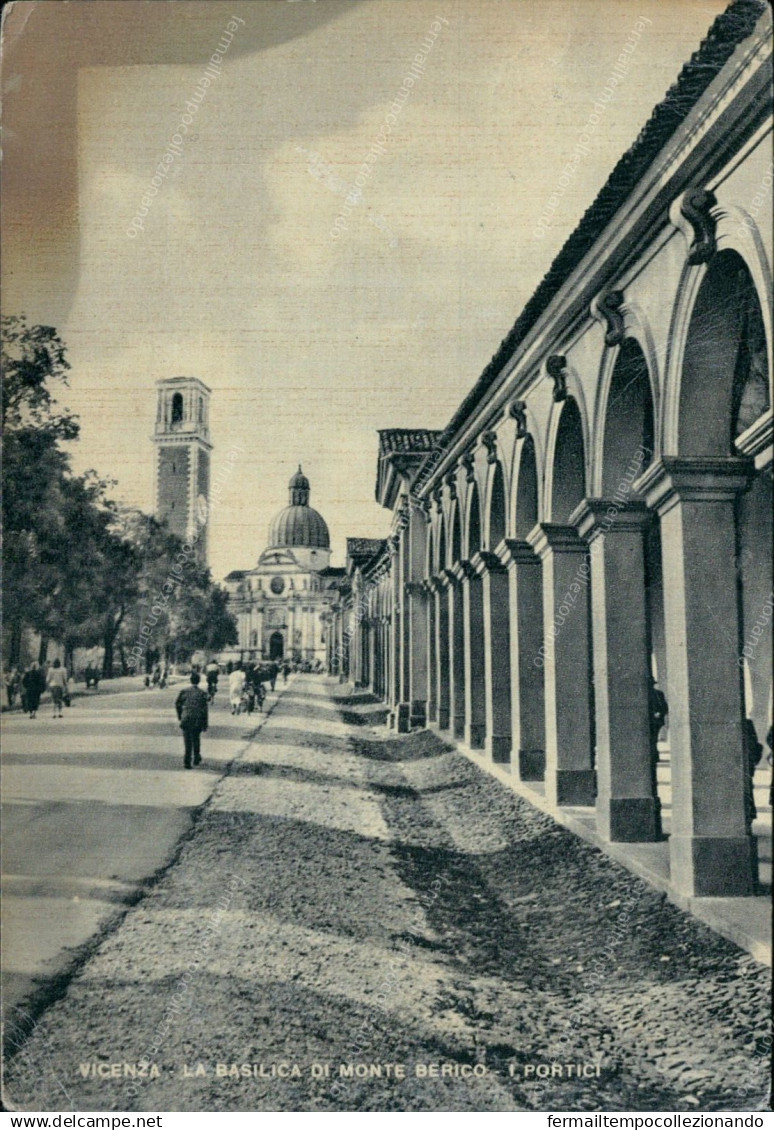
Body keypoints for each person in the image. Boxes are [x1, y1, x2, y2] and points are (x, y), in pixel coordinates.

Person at [175, 672, 209, 769]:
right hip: (197, 719)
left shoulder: (184, 692)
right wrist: (205, 723)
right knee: (196, 738)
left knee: (187, 741)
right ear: (198, 681)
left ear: (190, 680)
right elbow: (204, 710)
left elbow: (177, 704)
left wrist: (180, 715)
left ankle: (187, 761)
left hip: (186, 718)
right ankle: (196, 757)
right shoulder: (202, 693)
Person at [743, 717, 763, 831]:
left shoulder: (747, 724)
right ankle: (748, 820)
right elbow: (756, 746)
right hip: (746, 767)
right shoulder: (748, 724)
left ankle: (748, 820)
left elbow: (755, 746)